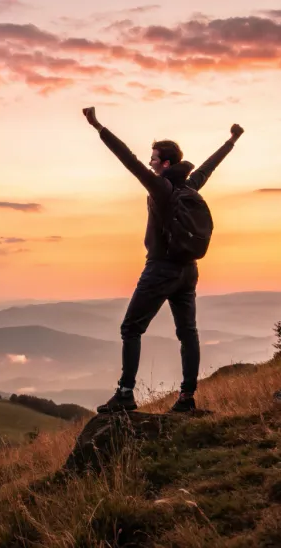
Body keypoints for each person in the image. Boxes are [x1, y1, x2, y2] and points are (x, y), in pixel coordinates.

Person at [82, 106, 244, 413]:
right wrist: (231, 140)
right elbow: (209, 167)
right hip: (188, 271)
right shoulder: (188, 185)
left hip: (161, 270)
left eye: (154, 158)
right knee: (188, 333)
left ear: (164, 163)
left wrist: (97, 126)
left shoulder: (161, 188)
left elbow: (127, 159)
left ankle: (126, 393)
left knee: (131, 328)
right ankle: (186, 398)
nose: (149, 161)